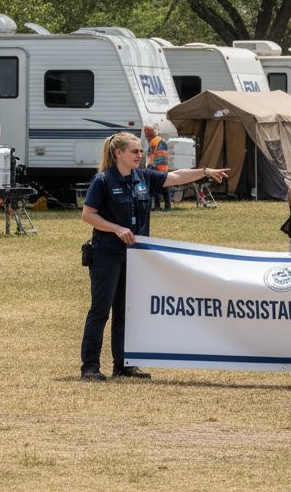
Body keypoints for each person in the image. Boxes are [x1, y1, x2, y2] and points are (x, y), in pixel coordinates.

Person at [79, 131, 229, 381]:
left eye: (140, 151)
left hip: (136, 257)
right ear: (119, 154)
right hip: (107, 254)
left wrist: (204, 171)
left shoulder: (143, 177)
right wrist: (116, 228)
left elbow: (176, 176)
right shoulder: (103, 180)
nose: (140, 155)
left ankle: (124, 365)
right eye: (135, 151)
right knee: (101, 310)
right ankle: (90, 367)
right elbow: (88, 214)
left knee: (126, 311)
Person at [143, 125, 171, 211]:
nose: (145, 135)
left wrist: (151, 167)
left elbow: (154, 156)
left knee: (156, 187)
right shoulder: (159, 140)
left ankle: (160, 206)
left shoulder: (154, 142)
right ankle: (165, 206)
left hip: (158, 168)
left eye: (146, 133)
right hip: (162, 168)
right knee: (164, 188)